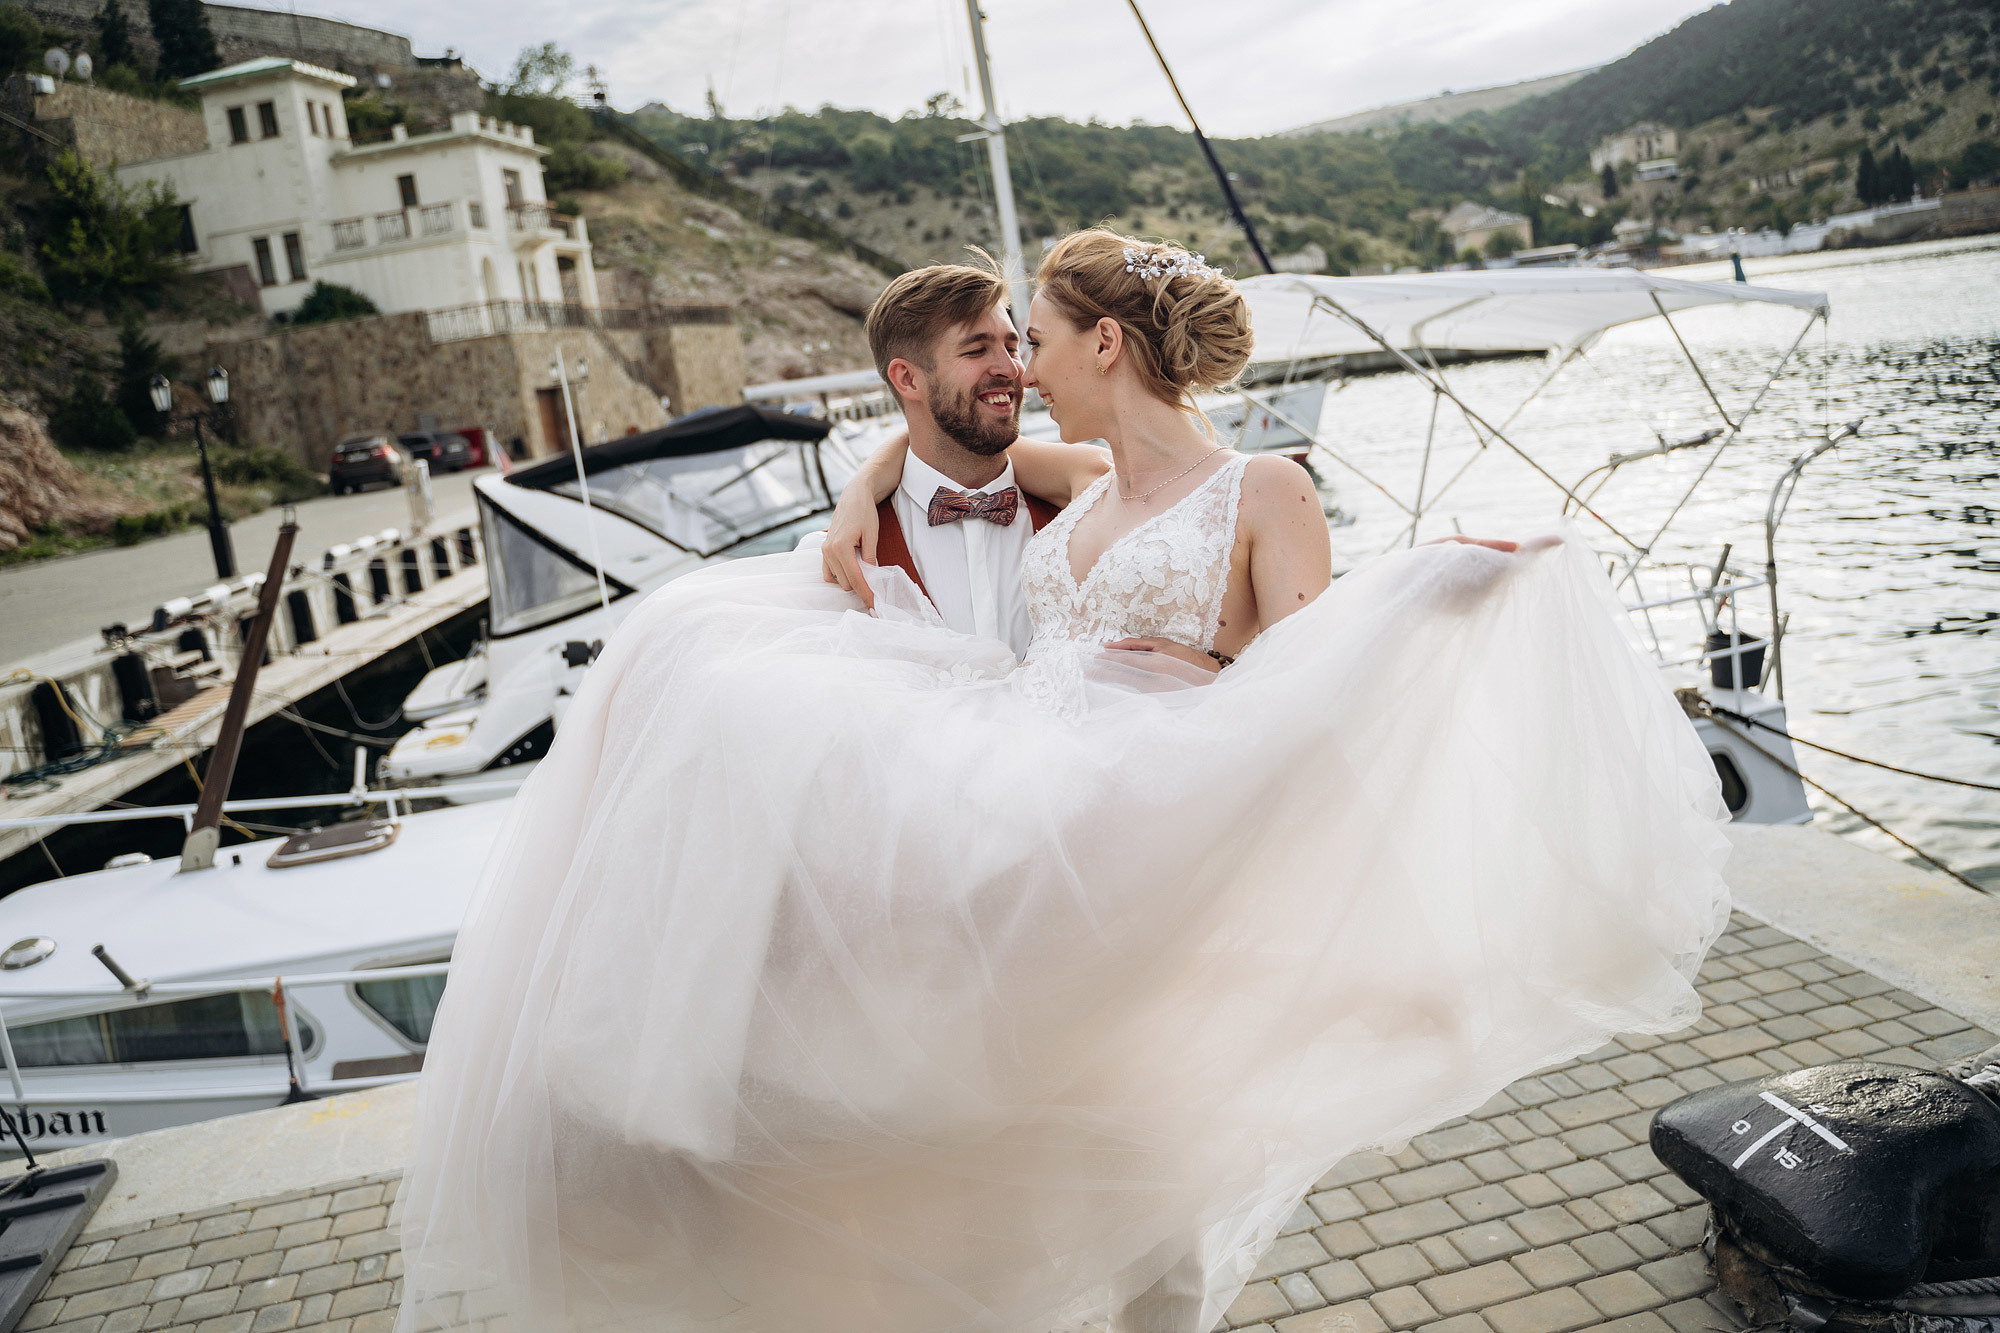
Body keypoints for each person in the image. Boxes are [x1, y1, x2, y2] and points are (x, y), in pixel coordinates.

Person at [397, 230, 1731, 1333]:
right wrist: (863, 487)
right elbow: (919, 448)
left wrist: (1438, 587)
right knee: (713, 662)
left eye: (1036, 333)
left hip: (1148, 809)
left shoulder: (1265, 484)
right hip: (1031, 789)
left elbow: (1322, 683)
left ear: (1107, 342)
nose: (1023, 363)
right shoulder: (1076, 485)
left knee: (1149, 1150)